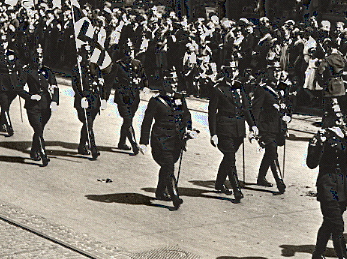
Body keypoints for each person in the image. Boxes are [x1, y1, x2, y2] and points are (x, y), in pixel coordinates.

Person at [306, 91, 347, 259]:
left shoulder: (342, 135)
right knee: (337, 226)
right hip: (327, 185)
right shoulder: (320, 137)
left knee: (330, 222)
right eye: (336, 118)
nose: (340, 121)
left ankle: (317, 253)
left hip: (344, 185)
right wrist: (318, 145)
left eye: (340, 117)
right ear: (328, 118)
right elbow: (311, 163)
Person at [139, 69, 195, 209]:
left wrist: (188, 129)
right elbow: (147, 122)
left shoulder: (179, 98)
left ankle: (160, 191)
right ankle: (175, 196)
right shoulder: (156, 101)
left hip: (176, 140)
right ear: (164, 84)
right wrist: (144, 142)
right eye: (171, 82)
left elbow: (186, 116)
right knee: (169, 165)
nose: (174, 85)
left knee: (168, 166)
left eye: (176, 81)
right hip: (161, 139)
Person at [207, 61, 257, 202]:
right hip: (224, 128)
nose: (232, 74)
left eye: (234, 71)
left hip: (238, 129)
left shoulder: (239, 87)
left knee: (229, 157)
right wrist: (213, 134)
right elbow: (211, 113)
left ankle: (218, 183)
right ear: (224, 73)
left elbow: (246, 109)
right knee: (230, 158)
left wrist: (252, 125)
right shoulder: (218, 89)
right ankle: (237, 190)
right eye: (229, 71)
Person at [251, 65, 290, 193]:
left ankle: (261, 177)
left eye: (279, 71)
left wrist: (288, 116)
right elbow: (255, 109)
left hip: (278, 127)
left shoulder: (283, 88)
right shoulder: (262, 90)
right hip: (266, 126)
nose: (277, 74)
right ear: (268, 73)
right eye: (274, 71)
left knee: (270, 152)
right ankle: (280, 182)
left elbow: (289, 105)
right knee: (272, 151)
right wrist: (254, 126)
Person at [103, 44, 148, 155]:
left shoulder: (137, 63)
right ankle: (134, 144)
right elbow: (109, 82)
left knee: (129, 120)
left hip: (134, 96)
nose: (129, 54)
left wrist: (145, 85)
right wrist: (104, 98)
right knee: (127, 119)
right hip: (122, 95)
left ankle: (122, 142)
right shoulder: (118, 65)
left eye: (131, 52)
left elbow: (143, 76)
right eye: (127, 52)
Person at [21, 45, 60, 167]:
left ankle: (34, 151)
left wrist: (54, 101)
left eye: (41, 56)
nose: (39, 59)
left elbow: (55, 86)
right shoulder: (27, 71)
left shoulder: (47, 71)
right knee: (38, 129)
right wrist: (29, 96)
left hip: (46, 105)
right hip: (33, 106)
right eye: (37, 57)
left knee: (40, 130)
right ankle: (44, 155)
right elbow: (18, 88)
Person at [71, 52, 103, 160]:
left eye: (89, 54)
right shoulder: (77, 69)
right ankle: (93, 148)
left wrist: (102, 97)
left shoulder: (95, 67)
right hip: (83, 100)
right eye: (86, 54)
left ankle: (81, 146)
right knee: (88, 123)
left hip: (94, 100)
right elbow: (75, 86)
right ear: (81, 55)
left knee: (88, 124)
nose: (88, 56)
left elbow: (101, 82)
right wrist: (81, 97)